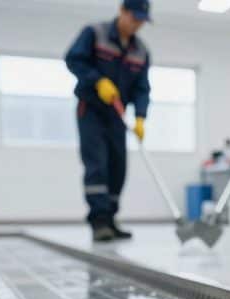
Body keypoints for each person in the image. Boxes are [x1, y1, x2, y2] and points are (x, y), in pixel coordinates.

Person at [65, 0, 152, 242]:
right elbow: (74, 59)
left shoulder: (141, 51)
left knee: (118, 167)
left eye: (142, 21)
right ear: (122, 11)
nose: (137, 25)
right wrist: (97, 80)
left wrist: (141, 117)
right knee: (97, 165)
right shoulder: (95, 33)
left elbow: (142, 88)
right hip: (91, 109)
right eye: (134, 18)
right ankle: (99, 221)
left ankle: (111, 219)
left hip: (118, 115)